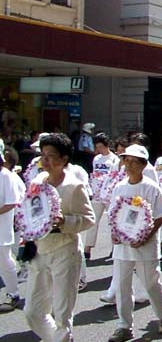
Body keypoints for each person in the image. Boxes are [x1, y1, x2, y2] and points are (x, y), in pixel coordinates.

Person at [24, 133, 95, 342]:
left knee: (62, 313)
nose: (45, 161)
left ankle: (62, 337)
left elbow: (88, 219)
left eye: (51, 156)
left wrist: (64, 221)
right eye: (43, 155)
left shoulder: (74, 186)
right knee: (33, 311)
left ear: (64, 159)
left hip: (65, 250)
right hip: (40, 250)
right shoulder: (38, 181)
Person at [108, 144, 162, 342]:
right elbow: (113, 215)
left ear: (143, 165)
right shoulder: (119, 187)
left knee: (150, 283)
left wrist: (145, 236)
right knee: (122, 286)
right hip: (123, 246)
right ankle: (124, 325)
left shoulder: (151, 188)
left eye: (134, 162)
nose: (129, 165)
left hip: (146, 245)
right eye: (126, 161)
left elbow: (160, 216)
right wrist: (114, 234)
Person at [85, 133, 120, 260]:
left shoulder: (114, 159)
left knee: (113, 221)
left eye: (101, 146)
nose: (99, 149)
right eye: (97, 147)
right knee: (93, 220)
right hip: (97, 193)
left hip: (109, 194)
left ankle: (114, 247)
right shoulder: (96, 159)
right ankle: (87, 248)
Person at [0, 149, 25, 313]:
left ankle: (13, 294)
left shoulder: (6, 176)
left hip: (2, 228)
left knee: (4, 261)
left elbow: (12, 202)